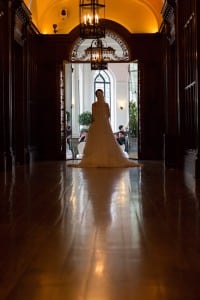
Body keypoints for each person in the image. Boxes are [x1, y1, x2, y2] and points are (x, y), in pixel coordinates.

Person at [68, 89, 141, 168]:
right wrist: (103, 120)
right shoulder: (105, 105)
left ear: (96, 96)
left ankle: (98, 158)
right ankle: (105, 158)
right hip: (104, 124)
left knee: (97, 141)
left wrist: (95, 123)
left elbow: (93, 116)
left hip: (97, 124)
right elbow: (108, 115)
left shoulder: (94, 105)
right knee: (105, 140)